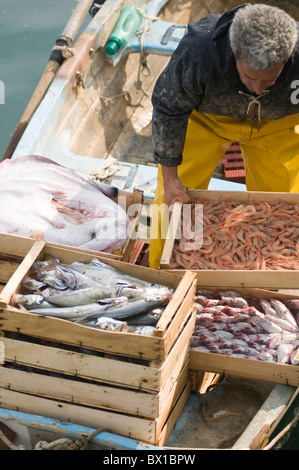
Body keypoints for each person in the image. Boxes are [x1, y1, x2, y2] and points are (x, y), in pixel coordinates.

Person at [149, 3, 299, 269]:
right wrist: (171, 180)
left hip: (277, 124)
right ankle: (160, 275)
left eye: (270, 80)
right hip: (206, 121)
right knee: (172, 202)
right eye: (249, 77)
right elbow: (168, 109)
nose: (257, 89)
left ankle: (277, 279)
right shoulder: (198, 52)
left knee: (284, 208)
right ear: (234, 53)